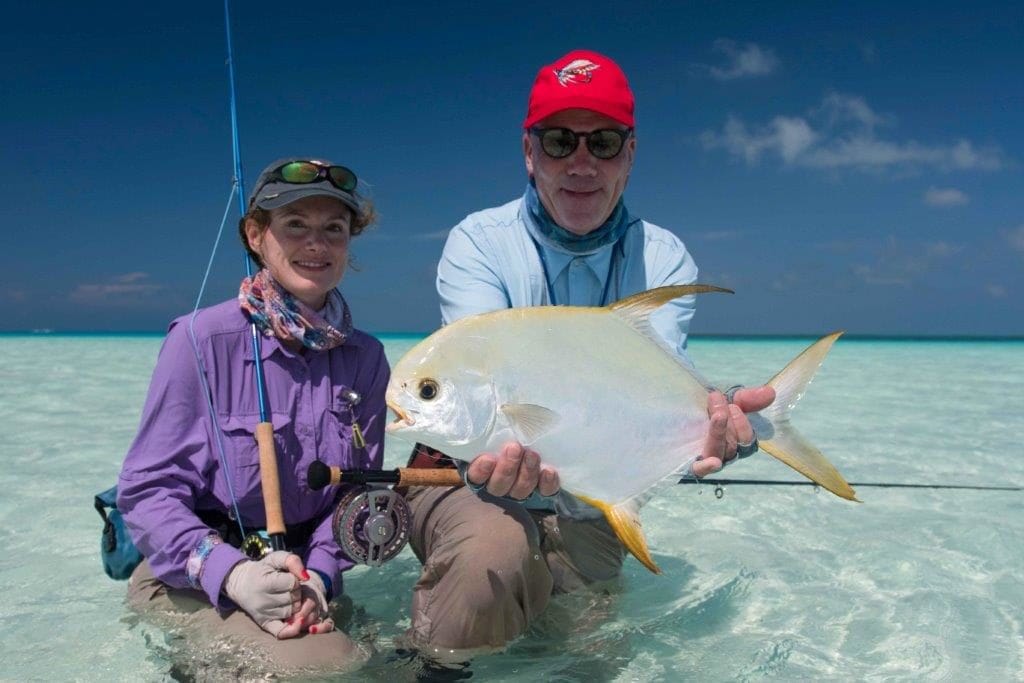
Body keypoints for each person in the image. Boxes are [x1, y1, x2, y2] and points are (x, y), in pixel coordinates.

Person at [403, 50, 776, 655]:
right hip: (468, 474)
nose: (581, 163)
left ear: (630, 154)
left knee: (592, 649)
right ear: (529, 153)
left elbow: (651, 396)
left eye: (602, 142)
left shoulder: (665, 257)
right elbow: (477, 392)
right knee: (488, 569)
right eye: (558, 141)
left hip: (593, 488)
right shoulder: (479, 243)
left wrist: (720, 423)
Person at [117, 157, 388, 675]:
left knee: (374, 664)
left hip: (303, 578)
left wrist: (322, 577)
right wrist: (234, 574)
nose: (317, 244)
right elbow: (146, 490)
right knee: (325, 664)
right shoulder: (199, 339)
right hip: (192, 575)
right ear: (255, 235)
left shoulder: (367, 357)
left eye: (334, 228)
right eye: (295, 226)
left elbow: (358, 491)